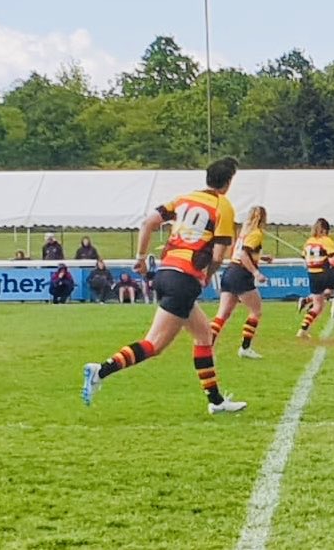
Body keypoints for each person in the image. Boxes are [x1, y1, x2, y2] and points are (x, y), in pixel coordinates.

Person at [81, 156, 247, 415]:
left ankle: (216, 401)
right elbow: (217, 255)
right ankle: (100, 370)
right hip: (184, 278)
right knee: (154, 344)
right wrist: (205, 276)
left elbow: (148, 222)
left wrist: (140, 258)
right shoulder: (222, 206)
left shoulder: (184, 199)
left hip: (166, 270)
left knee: (203, 335)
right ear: (228, 183)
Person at [211, 206, 272, 359]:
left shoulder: (243, 233)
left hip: (230, 271)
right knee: (256, 311)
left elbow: (239, 253)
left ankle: (206, 345)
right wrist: (256, 272)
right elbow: (244, 254)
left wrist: (261, 258)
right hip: (241, 274)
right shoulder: (256, 233)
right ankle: (245, 347)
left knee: (222, 314)